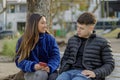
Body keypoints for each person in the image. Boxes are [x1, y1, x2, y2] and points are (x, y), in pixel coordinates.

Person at [56, 12, 115, 80]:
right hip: (69, 72)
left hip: (87, 75)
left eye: (81, 28)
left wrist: (95, 73)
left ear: (91, 28)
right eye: (77, 27)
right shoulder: (72, 40)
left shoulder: (103, 42)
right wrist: (63, 69)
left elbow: (110, 64)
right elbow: (65, 58)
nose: (78, 30)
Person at [15, 13, 60, 80]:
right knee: (41, 74)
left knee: (54, 77)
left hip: (49, 70)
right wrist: (33, 66)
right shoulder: (23, 40)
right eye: (42, 23)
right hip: (31, 71)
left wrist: (49, 67)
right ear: (34, 24)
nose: (45, 26)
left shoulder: (50, 39)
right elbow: (19, 60)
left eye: (45, 23)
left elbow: (56, 57)